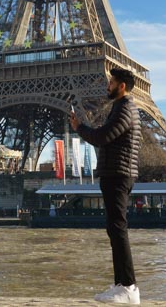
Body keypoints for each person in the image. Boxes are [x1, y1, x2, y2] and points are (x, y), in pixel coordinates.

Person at [70, 66, 142, 305]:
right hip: (116, 173)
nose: (107, 85)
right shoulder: (120, 109)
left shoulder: (125, 109)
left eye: (111, 82)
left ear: (121, 86)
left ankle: (129, 287)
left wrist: (79, 127)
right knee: (114, 229)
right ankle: (121, 284)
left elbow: (102, 137)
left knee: (118, 229)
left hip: (118, 175)